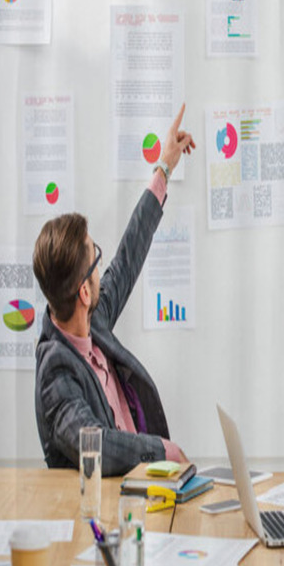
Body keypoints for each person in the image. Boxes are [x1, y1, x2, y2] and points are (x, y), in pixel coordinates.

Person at [33, 104, 196, 475]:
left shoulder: (93, 320)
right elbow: (94, 442)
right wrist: (161, 450)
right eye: (95, 259)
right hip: (106, 515)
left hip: (145, 492)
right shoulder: (55, 371)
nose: (102, 269)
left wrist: (165, 168)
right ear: (84, 293)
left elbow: (127, 257)